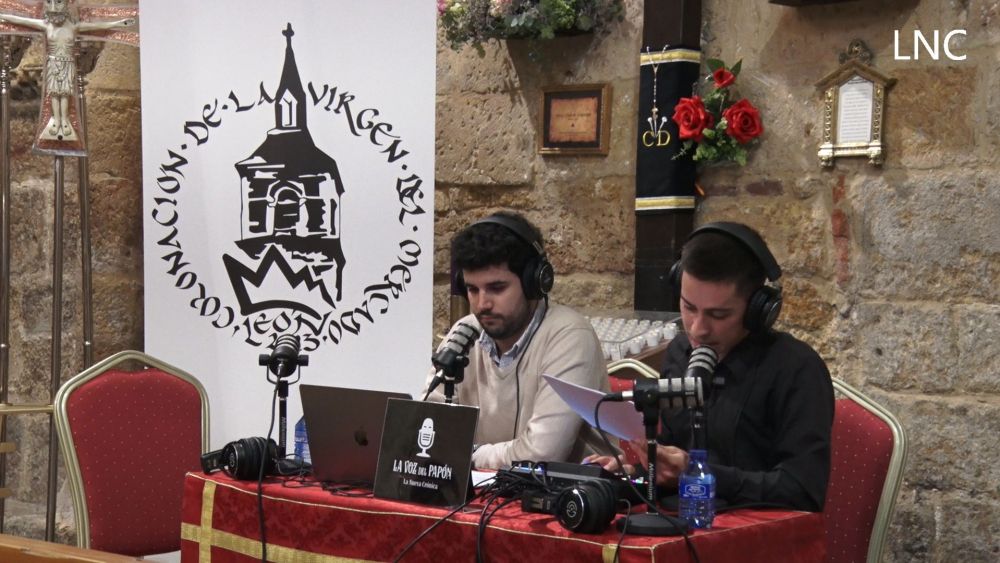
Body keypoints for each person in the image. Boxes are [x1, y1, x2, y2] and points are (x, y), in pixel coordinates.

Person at [588, 222, 834, 511]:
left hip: (756, 530)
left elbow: (803, 490)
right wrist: (638, 474)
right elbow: (673, 460)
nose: (698, 329)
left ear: (758, 310)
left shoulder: (797, 369)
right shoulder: (680, 353)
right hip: (679, 523)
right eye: (689, 307)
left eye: (718, 315)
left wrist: (700, 474)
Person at [422, 211, 610, 470]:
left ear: (535, 281)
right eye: (472, 289)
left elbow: (541, 453)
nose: (482, 304)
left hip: (560, 493)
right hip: (483, 491)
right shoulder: (465, 332)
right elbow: (427, 426)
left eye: (497, 288)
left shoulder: (570, 336)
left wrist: (465, 454)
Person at [0, 0, 135, 139]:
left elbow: (96, 25)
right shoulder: (46, 26)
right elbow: (23, 21)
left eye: (58, 3)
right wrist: (4, 16)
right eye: (50, 3)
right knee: (54, 93)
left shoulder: (73, 26)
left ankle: (64, 121)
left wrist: (119, 23)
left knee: (64, 93)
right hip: (53, 64)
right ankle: (55, 120)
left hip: (67, 64)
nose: (54, 8)